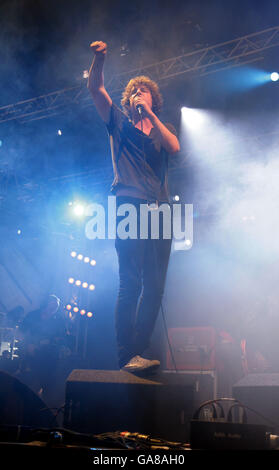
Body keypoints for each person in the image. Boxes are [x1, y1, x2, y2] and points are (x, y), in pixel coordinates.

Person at [88, 41, 180, 373]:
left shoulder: (159, 130)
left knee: (156, 285)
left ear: (153, 98)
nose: (139, 94)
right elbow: (96, 88)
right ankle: (125, 354)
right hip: (129, 203)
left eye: (145, 91)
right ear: (128, 100)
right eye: (135, 92)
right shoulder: (119, 123)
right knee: (132, 281)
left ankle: (139, 350)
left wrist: (151, 115)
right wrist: (99, 59)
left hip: (161, 210)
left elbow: (175, 146)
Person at [17, 295, 69, 400]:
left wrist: (54, 341)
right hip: (31, 355)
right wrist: (28, 345)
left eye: (57, 306)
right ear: (46, 304)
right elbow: (20, 332)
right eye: (52, 305)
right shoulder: (33, 315)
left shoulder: (59, 320)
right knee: (29, 382)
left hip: (50, 357)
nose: (54, 308)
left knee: (47, 383)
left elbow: (64, 337)